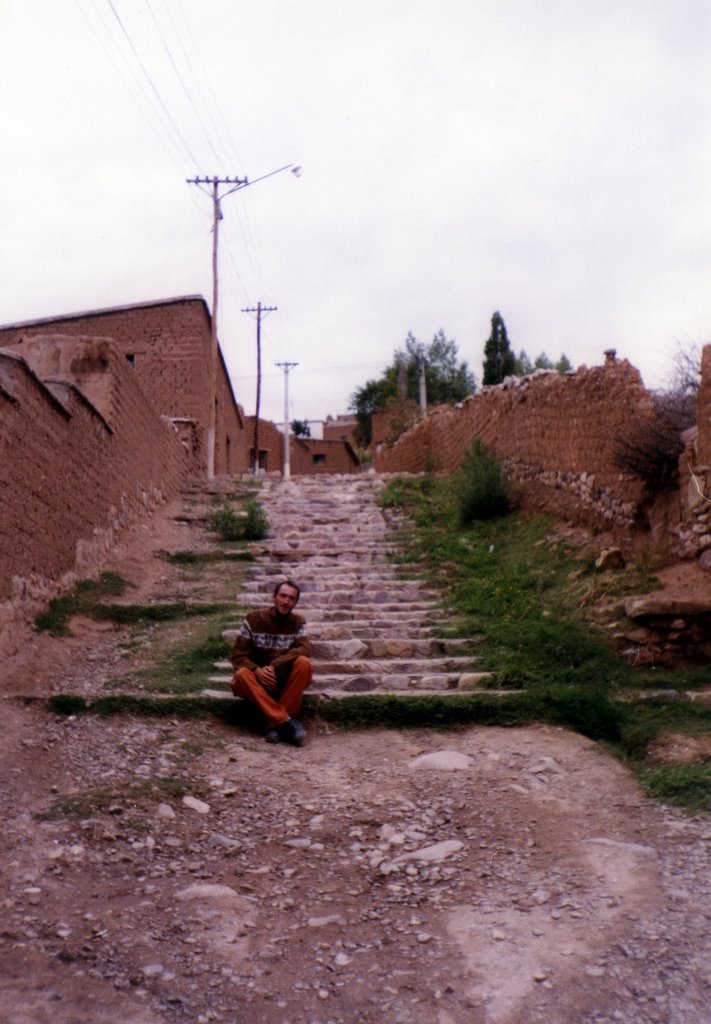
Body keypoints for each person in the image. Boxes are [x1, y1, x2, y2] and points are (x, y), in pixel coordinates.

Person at [230, 579, 312, 746]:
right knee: (241, 675)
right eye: (282, 596)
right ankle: (286, 722)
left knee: (304, 663)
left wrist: (275, 665)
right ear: (274, 597)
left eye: (291, 598)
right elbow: (238, 656)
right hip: (257, 682)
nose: (286, 601)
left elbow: (304, 649)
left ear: (295, 602)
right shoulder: (253, 619)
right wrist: (257, 670)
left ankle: (275, 727)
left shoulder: (298, 622)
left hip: (282, 681)